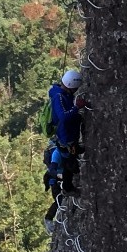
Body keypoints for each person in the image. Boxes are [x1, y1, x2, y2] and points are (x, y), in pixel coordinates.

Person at [43, 66, 85, 219]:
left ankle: (68, 185)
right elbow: (64, 117)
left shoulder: (58, 93)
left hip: (66, 135)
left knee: (70, 159)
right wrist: (76, 108)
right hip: (65, 137)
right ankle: (68, 187)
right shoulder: (59, 97)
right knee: (70, 164)